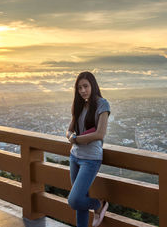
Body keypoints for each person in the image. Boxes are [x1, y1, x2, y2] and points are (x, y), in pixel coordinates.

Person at [66, 71, 110, 227]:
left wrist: (76, 139)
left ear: (93, 85)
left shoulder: (102, 104)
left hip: (91, 159)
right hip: (74, 157)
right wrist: (71, 136)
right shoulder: (79, 105)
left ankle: (99, 204)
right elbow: (69, 130)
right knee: (79, 203)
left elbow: (100, 133)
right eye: (79, 88)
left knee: (75, 200)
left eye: (85, 86)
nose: (83, 90)